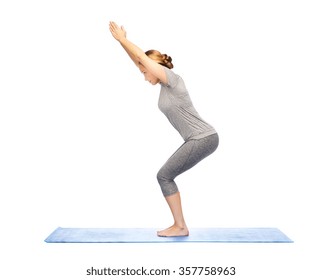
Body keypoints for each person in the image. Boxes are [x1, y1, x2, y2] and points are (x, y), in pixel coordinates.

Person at [109, 21, 219, 237]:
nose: (143, 76)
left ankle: (180, 226)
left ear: (152, 67)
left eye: (144, 71)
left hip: (203, 137)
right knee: (165, 176)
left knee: (164, 176)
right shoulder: (163, 86)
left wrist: (123, 39)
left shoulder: (173, 81)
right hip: (196, 139)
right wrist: (121, 44)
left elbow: (142, 59)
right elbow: (138, 60)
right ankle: (179, 225)